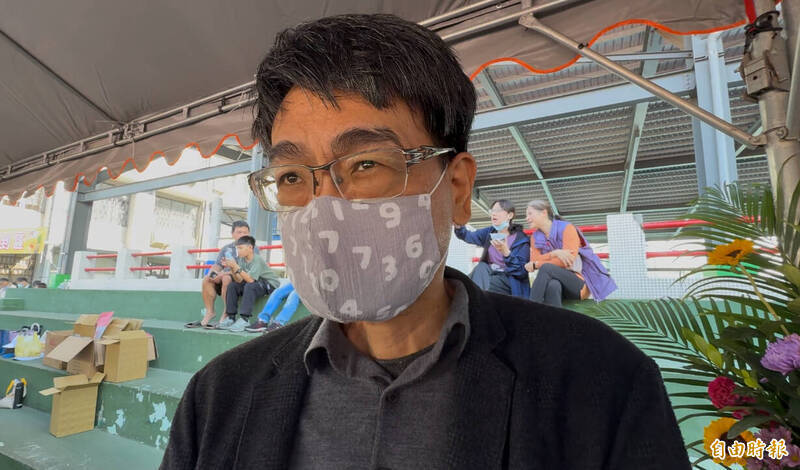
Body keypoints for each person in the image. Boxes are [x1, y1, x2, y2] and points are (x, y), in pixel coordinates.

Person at [161, 14, 688, 469]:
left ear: (457, 188)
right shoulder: (218, 396)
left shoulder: (600, 382)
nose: (323, 207)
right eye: (293, 176)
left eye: (366, 164)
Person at [524, 199, 617, 307]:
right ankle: (556, 318)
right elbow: (534, 260)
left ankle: (530, 310)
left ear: (543, 212)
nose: (527, 218)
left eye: (530, 213)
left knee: (546, 268)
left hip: (579, 284)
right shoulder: (535, 237)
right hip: (557, 284)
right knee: (553, 285)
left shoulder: (567, 228)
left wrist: (538, 263)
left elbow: (567, 262)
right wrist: (555, 253)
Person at [453, 199, 530, 298]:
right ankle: (476, 299)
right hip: (489, 274)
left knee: (470, 284)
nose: (493, 214)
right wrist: (459, 226)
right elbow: (468, 236)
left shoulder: (521, 239)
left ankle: (475, 300)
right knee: (480, 267)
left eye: (498, 210)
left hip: (509, 280)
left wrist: (506, 253)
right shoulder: (489, 232)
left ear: (510, 215)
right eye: (492, 211)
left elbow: (521, 272)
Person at [185, 220, 255, 328]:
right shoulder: (226, 248)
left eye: (245, 232)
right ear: (232, 234)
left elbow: (247, 270)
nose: (242, 235)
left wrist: (223, 274)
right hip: (225, 276)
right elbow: (217, 265)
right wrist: (213, 274)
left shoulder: (251, 248)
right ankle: (210, 312)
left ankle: (226, 313)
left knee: (226, 278)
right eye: (239, 232)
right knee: (207, 279)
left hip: (241, 280)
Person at [216, 235, 280, 332]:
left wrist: (236, 266)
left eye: (240, 248)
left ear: (250, 248)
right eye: (237, 248)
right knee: (232, 286)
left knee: (250, 286)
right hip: (255, 283)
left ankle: (244, 319)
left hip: (269, 284)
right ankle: (231, 318)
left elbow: (250, 280)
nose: (238, 251)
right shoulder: (241, 259)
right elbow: (239, 280)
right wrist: (232, 268)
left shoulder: (257, 259)